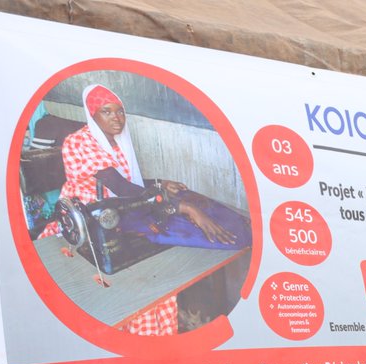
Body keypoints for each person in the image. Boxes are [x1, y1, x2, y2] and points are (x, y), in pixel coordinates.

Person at [47, 83, 250, 335]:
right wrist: (181, 207)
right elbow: (120, 187)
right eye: (106, 112)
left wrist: (160, 183)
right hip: (89, 218)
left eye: (120, 111)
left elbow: (127, 181)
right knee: (140, 281)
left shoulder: (118, 142)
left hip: (117, 210)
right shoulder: (79, 142)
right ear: (92, 115)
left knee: (191, 223)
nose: (116, 118)